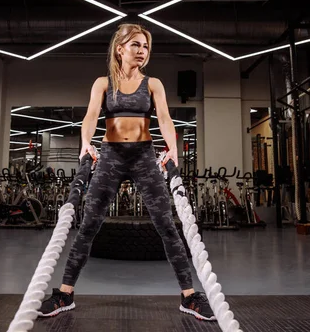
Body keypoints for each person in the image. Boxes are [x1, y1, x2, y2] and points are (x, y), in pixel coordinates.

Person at [38, 24, 215, 321]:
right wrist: (85, 144)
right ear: (120, 49)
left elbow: (165, 119)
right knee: (89, 225)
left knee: (166, 226)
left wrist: (172, 150)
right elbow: (91, 116)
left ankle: (189, 296)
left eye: (145, 46)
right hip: (110, 157)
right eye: (135, 45)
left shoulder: (153, 84)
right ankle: (65, 293)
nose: (142, 51)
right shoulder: (103, 83)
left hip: (144, 157)